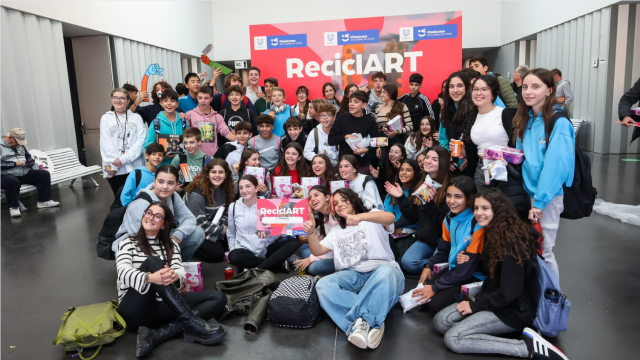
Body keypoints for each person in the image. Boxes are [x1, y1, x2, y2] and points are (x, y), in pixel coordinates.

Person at [434, 189, 570, 360]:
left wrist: (475, 306)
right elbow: (494, 274)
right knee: (441, 321)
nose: (478, 213)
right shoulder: (495, 231)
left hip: (514, 310)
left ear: (497, 210)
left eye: (485, 208)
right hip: (495, 298)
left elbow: (510, 292)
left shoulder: (511, 243)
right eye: (476, 208)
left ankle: (526, 347)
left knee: (453, 338)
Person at [115, 201, 226, 358]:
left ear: (164, 224)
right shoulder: (127, 243)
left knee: (218, 297)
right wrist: (150, 277)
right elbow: (123, 273)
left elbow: (180, 270)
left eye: (158, 216)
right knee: (153, 262)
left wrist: (176, 276)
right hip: (136, 308)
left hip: (162, 305)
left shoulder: (171, 244)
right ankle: (190, 321)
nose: (151, 217)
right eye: (149, 213)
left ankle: (160, 335)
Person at [307, 188, 401, 349]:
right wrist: (310, 233)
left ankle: (363, 323)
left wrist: (359, 217)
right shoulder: (336, 231)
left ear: (353, 199)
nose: (340, 205)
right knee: (322, 285)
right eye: (335, 203)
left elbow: (390, 217)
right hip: (352, 275)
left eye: (344, 200)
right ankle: (367, 321)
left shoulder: (372, 215)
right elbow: (317, 251)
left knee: (388, 272)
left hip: (381, 270)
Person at [514, 68, 574, 278]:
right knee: (530, 251)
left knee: (544, 252)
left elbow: (555, 167)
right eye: (525, 87)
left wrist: (539, 203)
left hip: (545, 199)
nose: (528, 92)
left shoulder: (559, 123)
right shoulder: (527, 119)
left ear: (549, 90)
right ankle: (535, 300)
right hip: (526, 194)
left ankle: (552, 303)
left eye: (535, 87)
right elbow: (523, 156)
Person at [410, 176, 486, 314]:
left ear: (469, 198)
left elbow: (468, 268)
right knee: (423, 298)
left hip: (473, 275)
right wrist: (429, 266)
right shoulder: (448, 219)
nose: (452, 201)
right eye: (449, 196)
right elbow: (443, 251)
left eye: (458, 197)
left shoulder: (477, 223)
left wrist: (435, 288)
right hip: (456, 270)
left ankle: (474, 300)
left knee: (434, 305)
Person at [114, 165, 205, 262]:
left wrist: (178, 235)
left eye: (170, 183)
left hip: (159, 237)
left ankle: (175, 266)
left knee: (198, 232)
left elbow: (189, 218)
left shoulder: (172, 196)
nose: (165, 187)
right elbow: (140, 236)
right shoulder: (141, 203)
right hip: (136, 246)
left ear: (176, 185)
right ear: (154, 182)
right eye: (161, 182)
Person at [394, 146, 451, 274]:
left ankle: (438, 266)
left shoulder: (451, 185)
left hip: (445, 240)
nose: (428, 161)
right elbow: (413, 216)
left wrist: (430, 204)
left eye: (434, 159)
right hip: (427, 239)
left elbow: (444, 220)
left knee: (438, 268)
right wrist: (402, 198)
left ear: (443, 163)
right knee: (407, 263)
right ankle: (435, 267)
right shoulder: (422, 183)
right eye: (427, 157)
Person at [227, 175, 300, 271]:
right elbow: (231, 232)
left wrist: (267, 233)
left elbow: (278, 231)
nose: (244, 190)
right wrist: (232, 249)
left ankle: (259, 267)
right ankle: (276, 265)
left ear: (257, 188)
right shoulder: (233, 206)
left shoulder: (268, 204)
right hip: (244, 249)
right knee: (234, 256)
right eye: (241, 188)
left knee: (294, 242)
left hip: (266, 248)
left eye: (248, 186)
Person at [1, 128, 60, 217]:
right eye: (17, 142)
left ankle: (43, 201)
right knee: (12, 182)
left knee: (44, 174)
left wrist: (30, 162)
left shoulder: (19, 145)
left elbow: (27, 156)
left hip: (23, 172)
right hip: (5, 175)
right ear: (10, 137)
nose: (18, 145)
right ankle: (14, 208)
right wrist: (13, 164)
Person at [462, 75, 508, 188]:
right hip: (481, 169)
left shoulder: (505, 114)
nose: (478, 93)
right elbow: (476, 149)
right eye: (475, 89)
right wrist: (462, 150)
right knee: (482, 204)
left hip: (502, 167)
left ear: (494, 93)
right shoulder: (472, 116)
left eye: (484, 89)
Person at [184, 159, 234, 263]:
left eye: (221, 172)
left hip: (213, 225)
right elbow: (198, 222)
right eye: (213, 172)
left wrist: (223, 225)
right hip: (195, 229)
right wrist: (220, 230)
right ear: (207, 174)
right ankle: (189, 247)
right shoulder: (197, 193)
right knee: (216, 255)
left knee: (232, 246)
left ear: (226, 175)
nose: (217, 175)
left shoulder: (226, 188)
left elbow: (227, 211)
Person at [100, 87, 146, 196]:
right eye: (115, 97)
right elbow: (105, 144)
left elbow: (140, 141)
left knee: (136, 198)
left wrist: (123, 159)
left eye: (122, 98)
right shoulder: (106, 118)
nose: (118, 100)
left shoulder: (136, 117)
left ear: (128, 101)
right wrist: (115, 166)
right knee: (119, 200)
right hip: (114, 168)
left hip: (135, 166)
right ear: (111, 99)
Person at [328, 91, 380, 174]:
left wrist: (366, 150)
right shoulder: (342, 118)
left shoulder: (370, 120)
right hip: (345, 164)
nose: (351, 104)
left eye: (356, 102)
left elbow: (377, 142)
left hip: (363, 164)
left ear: (364, 105)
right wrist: (345, 136)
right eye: (350, 101)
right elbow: (331, 140)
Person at [294, 185, 338, 276]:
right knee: (304, 247)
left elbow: (333, 248)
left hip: (338, 256)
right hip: (326, 252)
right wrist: (310, 214)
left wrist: (310, 259)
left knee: (314, 268)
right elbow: (318, 242)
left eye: (316, 195)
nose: (312, 199)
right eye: (310, 198)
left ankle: (306, 263)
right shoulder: (324, 216)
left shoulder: (335, 216)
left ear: (327, 197)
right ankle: (306, 262)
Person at [186, 86, 236, 157]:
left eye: (206, 98)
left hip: (212, 157)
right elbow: (182, 133)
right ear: (197, 98)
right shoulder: (189, 115)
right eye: (200, 98)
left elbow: (226, 133)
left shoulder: (217, 117)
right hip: (194, 157)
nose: (203, 101)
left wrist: (241, 138)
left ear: (211, 99)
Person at [144, 89, 187, 166]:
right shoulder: (156, 123)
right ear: (162, 103)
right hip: (162, 167)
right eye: (166, 101)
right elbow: (148, 145)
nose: (169, 104)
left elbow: (189, 140)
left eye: (172, 101)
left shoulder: (183, 121)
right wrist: (162, 156)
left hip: (182, 166)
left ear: (177, 104)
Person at [381, 159, 421, 240]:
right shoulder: (394, 190)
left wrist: (401, 227)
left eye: (408, 170)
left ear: (415, 172)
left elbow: (417, 217)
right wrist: (392, 226)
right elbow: (388, 212)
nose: (403, 173)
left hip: (413, 232)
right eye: (401, 170)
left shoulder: (419, 191)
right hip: (394, 230)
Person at [438, 71, 474, 158]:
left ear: (467, 87)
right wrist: (447, 158)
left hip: (470, 161)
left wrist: (467, 156)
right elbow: (443, 139)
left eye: (460, 86)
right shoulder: (446, 110)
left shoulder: (474, 109)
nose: (455, 90)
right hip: (451, 162)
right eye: (451, 86)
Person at [375, 84, 413, 163]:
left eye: (383, 92)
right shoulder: (378, 108)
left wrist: (397, 132)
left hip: (397, 139)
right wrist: (378, 146)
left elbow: (410, 126)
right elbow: (377, 129)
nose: (381, 94)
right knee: (382, 163)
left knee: (397, 163)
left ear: (390, 94)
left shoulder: (401, 106)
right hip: (383, 139)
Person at [303, 101, 339, 167]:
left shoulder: (339, 132)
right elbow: (306, 152)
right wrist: (320, 158)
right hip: (319, 168)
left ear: (334, 117)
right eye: (322, 115)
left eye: (328, 115)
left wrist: (329, 154)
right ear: (319, 117)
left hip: (337, 168)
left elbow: (342, 154)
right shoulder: (314, 132)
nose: (325, 118)